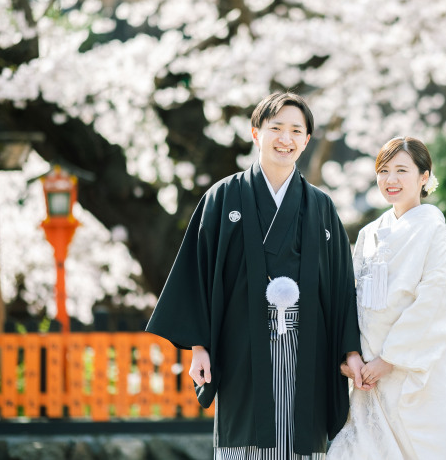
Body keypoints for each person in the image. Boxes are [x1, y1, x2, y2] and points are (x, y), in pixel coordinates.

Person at [146, 92, 365, 459]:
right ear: (255, 132)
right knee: (245, 440)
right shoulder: (224, 198)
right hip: (241, 343)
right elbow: (197, 271)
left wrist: (350, 350)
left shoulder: (321, 207)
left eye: (297, 131)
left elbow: (342, 287)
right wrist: (199, 346)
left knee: (300, 440)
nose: (286, 139)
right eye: (276, 128)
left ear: (307, 140)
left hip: (307, 345)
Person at [327, 136, 446, 460]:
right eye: (383, 171)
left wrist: (390, 359)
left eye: (401, 170)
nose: (391, 180)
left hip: (413, 371)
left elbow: (435, 303)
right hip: (369, 376)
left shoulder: (434, 229)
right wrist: (352, 354)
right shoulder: (369, 233)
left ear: (424, 177)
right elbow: (350, 298)